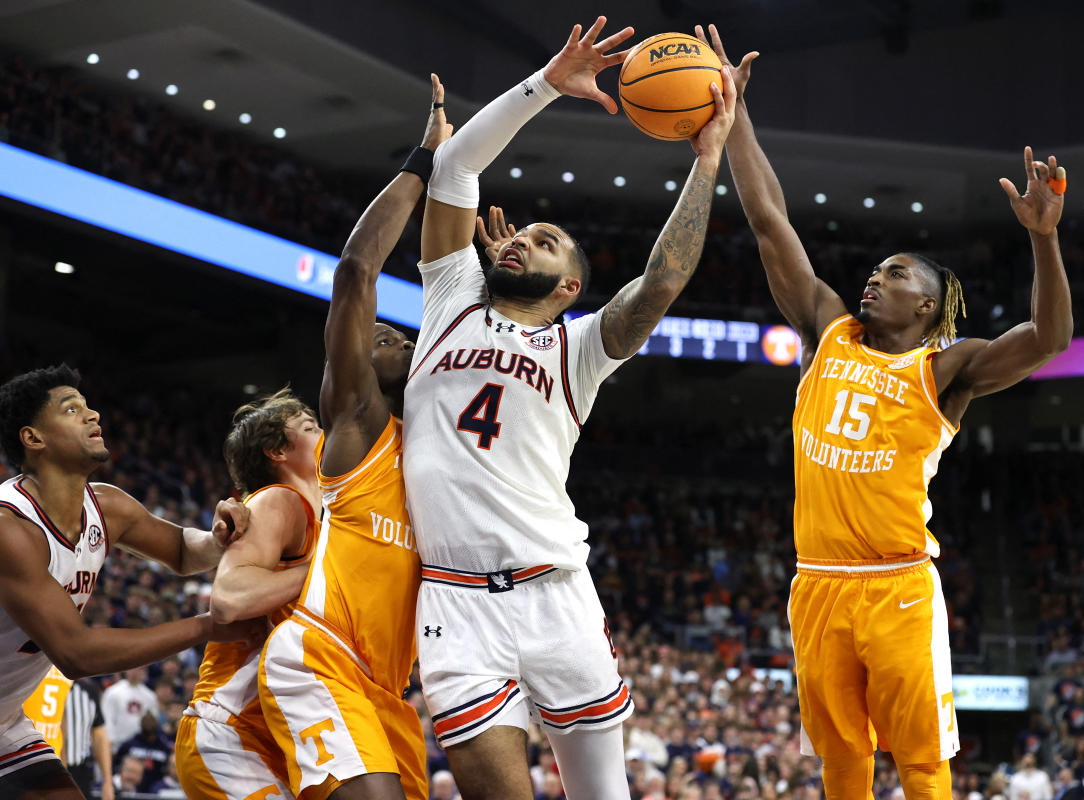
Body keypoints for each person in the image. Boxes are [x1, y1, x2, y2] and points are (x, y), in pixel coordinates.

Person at [697, 23, 1073, 800]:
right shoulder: (827, 331)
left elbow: (1049, 339)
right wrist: (737, 118)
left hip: (897, 585)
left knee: (921, 762)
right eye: (874, 270)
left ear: (927, 304)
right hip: (816, 583)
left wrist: (1044, 241)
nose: (874, 279)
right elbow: (769, 222)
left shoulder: (945, 369)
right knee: (840, 759)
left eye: (894, 274)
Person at [408, 16, 736, 799]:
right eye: (521, 234)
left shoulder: (579, 348)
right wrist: (546, 85)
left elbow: (662, 281)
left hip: (556, 591)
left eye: (545, 241)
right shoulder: (450, 296)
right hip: (454, 599)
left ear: (569, 288)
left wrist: (707, 160)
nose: (521, 238)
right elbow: (454, 165)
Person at [256, 75, 452, 800]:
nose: (400, 339)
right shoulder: (358, 421)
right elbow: (356, 271)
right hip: (324, 654)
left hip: (390, 688)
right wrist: (425, 163)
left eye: (406, 336)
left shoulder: (432, 442)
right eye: (384, 337)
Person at [0, 364, 260, 800]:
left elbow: (183, 551)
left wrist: (218, 538)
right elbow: (77, 653)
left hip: (7, 720)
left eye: (87, 405)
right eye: (71, 409)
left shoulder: (107, 506)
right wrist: (207, 626)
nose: (93, 414)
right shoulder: (11, 528)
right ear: (33, 438)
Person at [174, 389, 322, 800]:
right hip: (229, 734)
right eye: (311, 427)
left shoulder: (322, 521)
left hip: (274, 741)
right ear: (278, 451)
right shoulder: (282, 500)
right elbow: (230, 599)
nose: (325, 433)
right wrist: (327, 570)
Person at [100, 667, 157, 750]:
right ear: (126, 670)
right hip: (117, 743)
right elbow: (107, 719)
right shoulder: (113, 692)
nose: (135, 672)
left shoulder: (150, 696)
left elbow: (152, 722)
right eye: (132, 668)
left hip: (140, 745)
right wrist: (109, 741)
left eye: (140, 669)